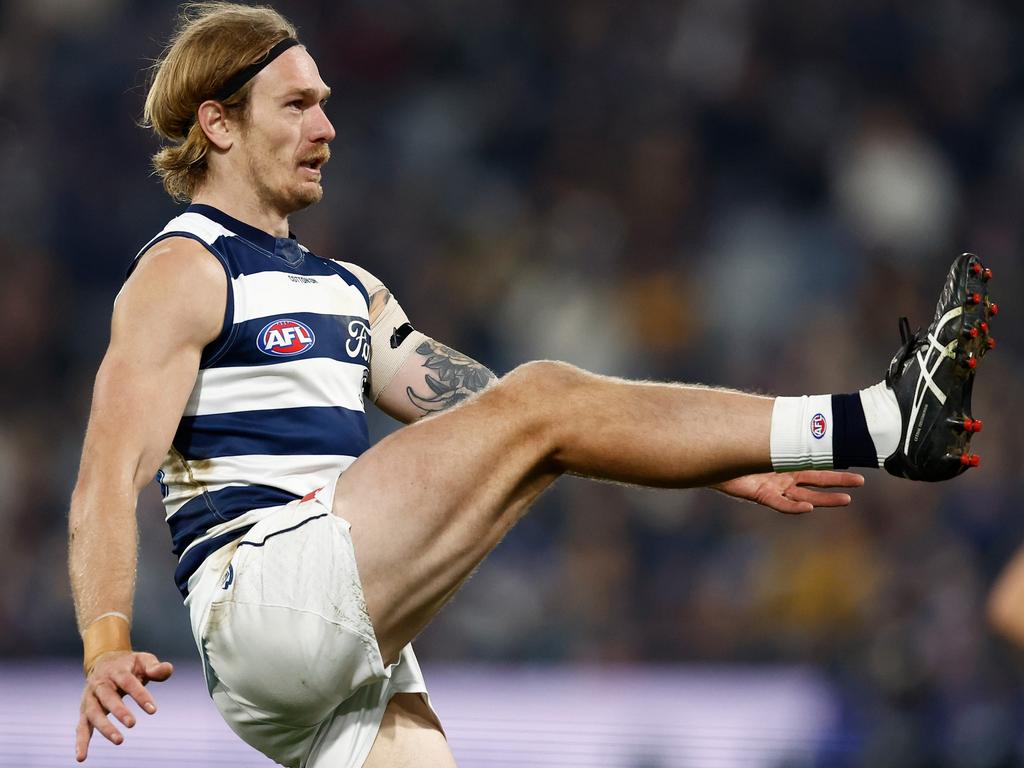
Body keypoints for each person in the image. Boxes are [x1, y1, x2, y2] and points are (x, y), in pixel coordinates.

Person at [68, 3, 998, 766]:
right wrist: (105, 638)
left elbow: (479, 408)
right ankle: (882, 420)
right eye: (297, 104)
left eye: (326, 102)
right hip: (267, 591)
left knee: (534, 406)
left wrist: (716, 461)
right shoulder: (183, 270)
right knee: (544, 390)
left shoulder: (347, 287)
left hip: (330, 651)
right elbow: (107, 473)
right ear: (217, 122)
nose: (327, 126)